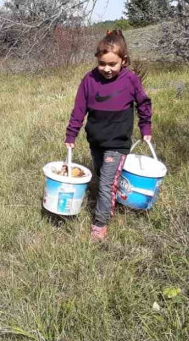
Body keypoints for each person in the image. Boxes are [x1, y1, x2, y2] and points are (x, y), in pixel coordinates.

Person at [64, 29, 152, 241]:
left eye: (112, 64)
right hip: (96, 140)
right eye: (102, 63)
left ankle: (100, 224)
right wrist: (71, 135)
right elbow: (79, 109)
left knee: (105, 183)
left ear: (124, 60)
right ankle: (120, 196)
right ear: (97, 59)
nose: (107, 69)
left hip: (118, 142)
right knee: (103, 175)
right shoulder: (89, 80)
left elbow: (143, 104)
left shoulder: (130, 79)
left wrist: (145, 128)